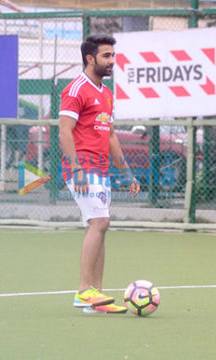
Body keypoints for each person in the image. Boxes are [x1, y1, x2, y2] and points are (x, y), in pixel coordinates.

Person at [59, 34, 140, 314]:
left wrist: (127, 173)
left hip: (101, 169)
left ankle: (98, 299)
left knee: (99, 227)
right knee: (100, 222)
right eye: (107, 56)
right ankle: (84, 292)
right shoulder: (75, 89)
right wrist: (78, 168)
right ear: (90, 58)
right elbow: (64, 132)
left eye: (113, 56)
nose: (112, 61)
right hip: (81, 168)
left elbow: (112, 136)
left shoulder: (106, 93)